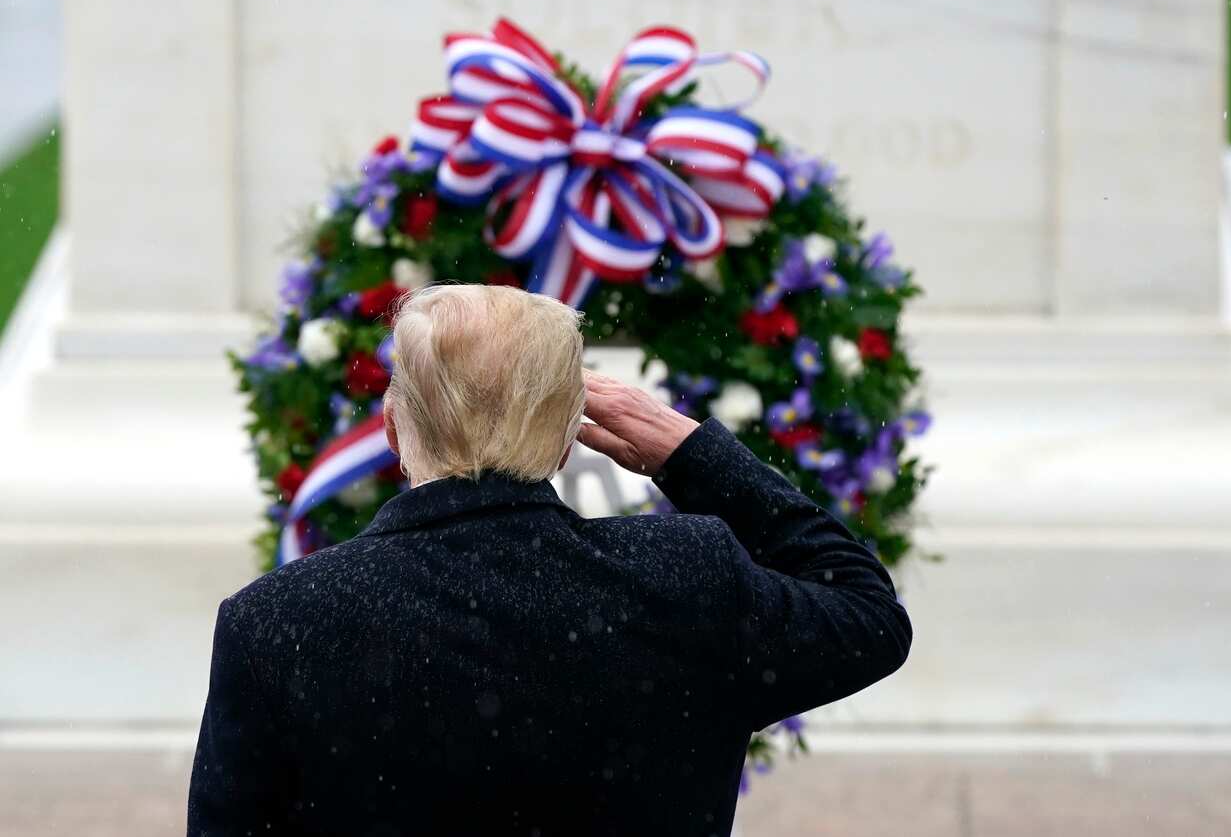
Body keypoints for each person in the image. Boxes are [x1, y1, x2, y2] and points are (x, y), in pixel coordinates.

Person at [187, 282, 912, 837]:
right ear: (569, 439)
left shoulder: (279, 623)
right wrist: (692, 454)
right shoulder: (686, 580)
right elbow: (869, 612)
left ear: (391, 428)